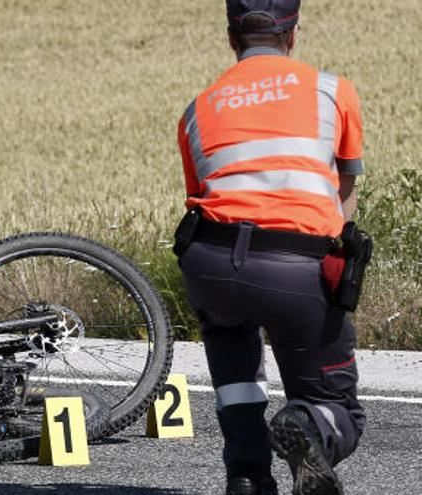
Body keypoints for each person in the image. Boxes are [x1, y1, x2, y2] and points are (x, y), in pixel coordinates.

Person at [173, 1, 366, 494]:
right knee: (333, 407)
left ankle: (246, 473)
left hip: (210, 261)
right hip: (294, 263)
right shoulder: (332, 90)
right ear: (293, 34)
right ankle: (309, 425)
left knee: (234, 356)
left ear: (230, 37)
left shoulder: (198, 108)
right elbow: (345, 191)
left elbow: (202, 194)